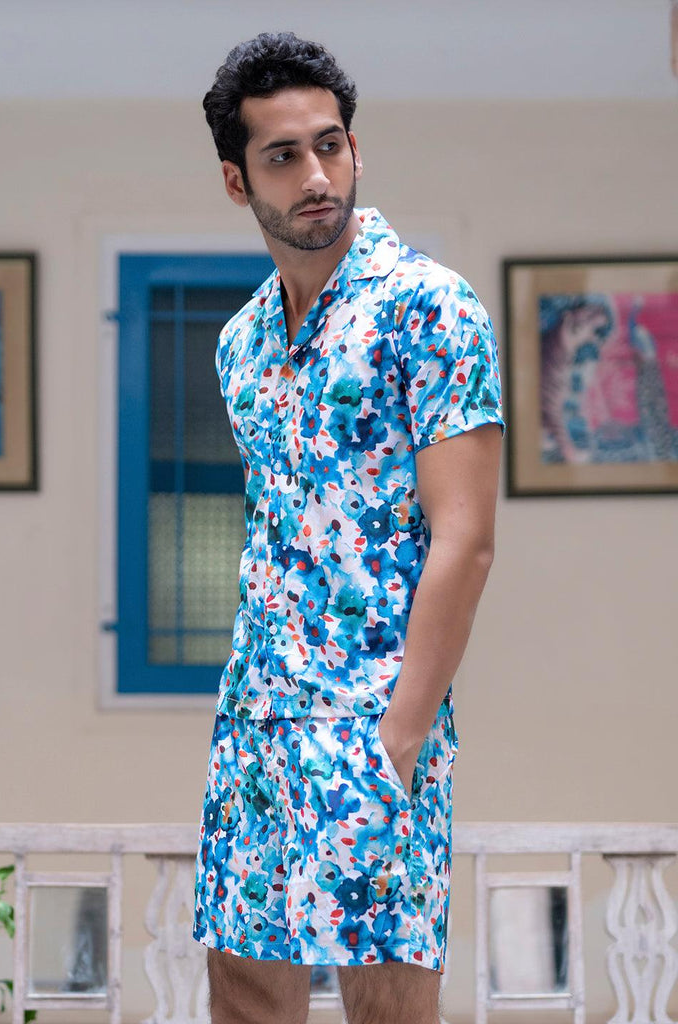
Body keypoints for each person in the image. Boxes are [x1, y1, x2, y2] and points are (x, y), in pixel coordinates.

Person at [194, 31, 504, 1024]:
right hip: (257, 725)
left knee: (387, 1005)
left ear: (356, 148)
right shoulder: (241, 343)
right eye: (283, 156)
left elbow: (466, 538)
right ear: (239, 182)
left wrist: (399, 737)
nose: (317, 175)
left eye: (330, 145)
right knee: (245, 996)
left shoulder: (433, 309)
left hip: (376, 722)